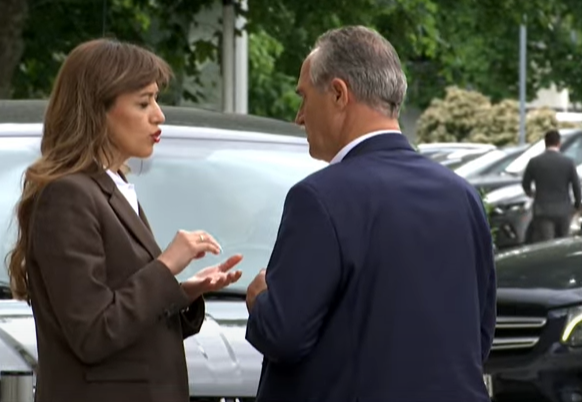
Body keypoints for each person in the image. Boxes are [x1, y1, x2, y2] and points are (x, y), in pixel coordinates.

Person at [245, 26, 496, 402]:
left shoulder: (319, 198)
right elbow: (479, 334)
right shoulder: (462, 195)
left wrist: (260, 300)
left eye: (304, 97)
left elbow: (284, 334)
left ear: (338, 94)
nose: (299, 117)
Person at [5, 39, 243, 402]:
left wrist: (182, 292)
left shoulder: (112, 185)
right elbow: (92, 333)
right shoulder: (67, 195)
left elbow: (128, 321)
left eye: (156, 101)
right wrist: (166, 265)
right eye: (144, 103)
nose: (159, 115)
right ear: (97, 109)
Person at [522, 129, 581, 242]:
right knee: (563, 241)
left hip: (542, 209)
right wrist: (577, 205)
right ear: (559, 143)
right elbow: (576, 185)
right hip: (564, 209)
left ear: (545, 142)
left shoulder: (535, 162)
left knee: (546, 242)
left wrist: (532, 194)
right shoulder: (568, 162)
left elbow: (525, 184)